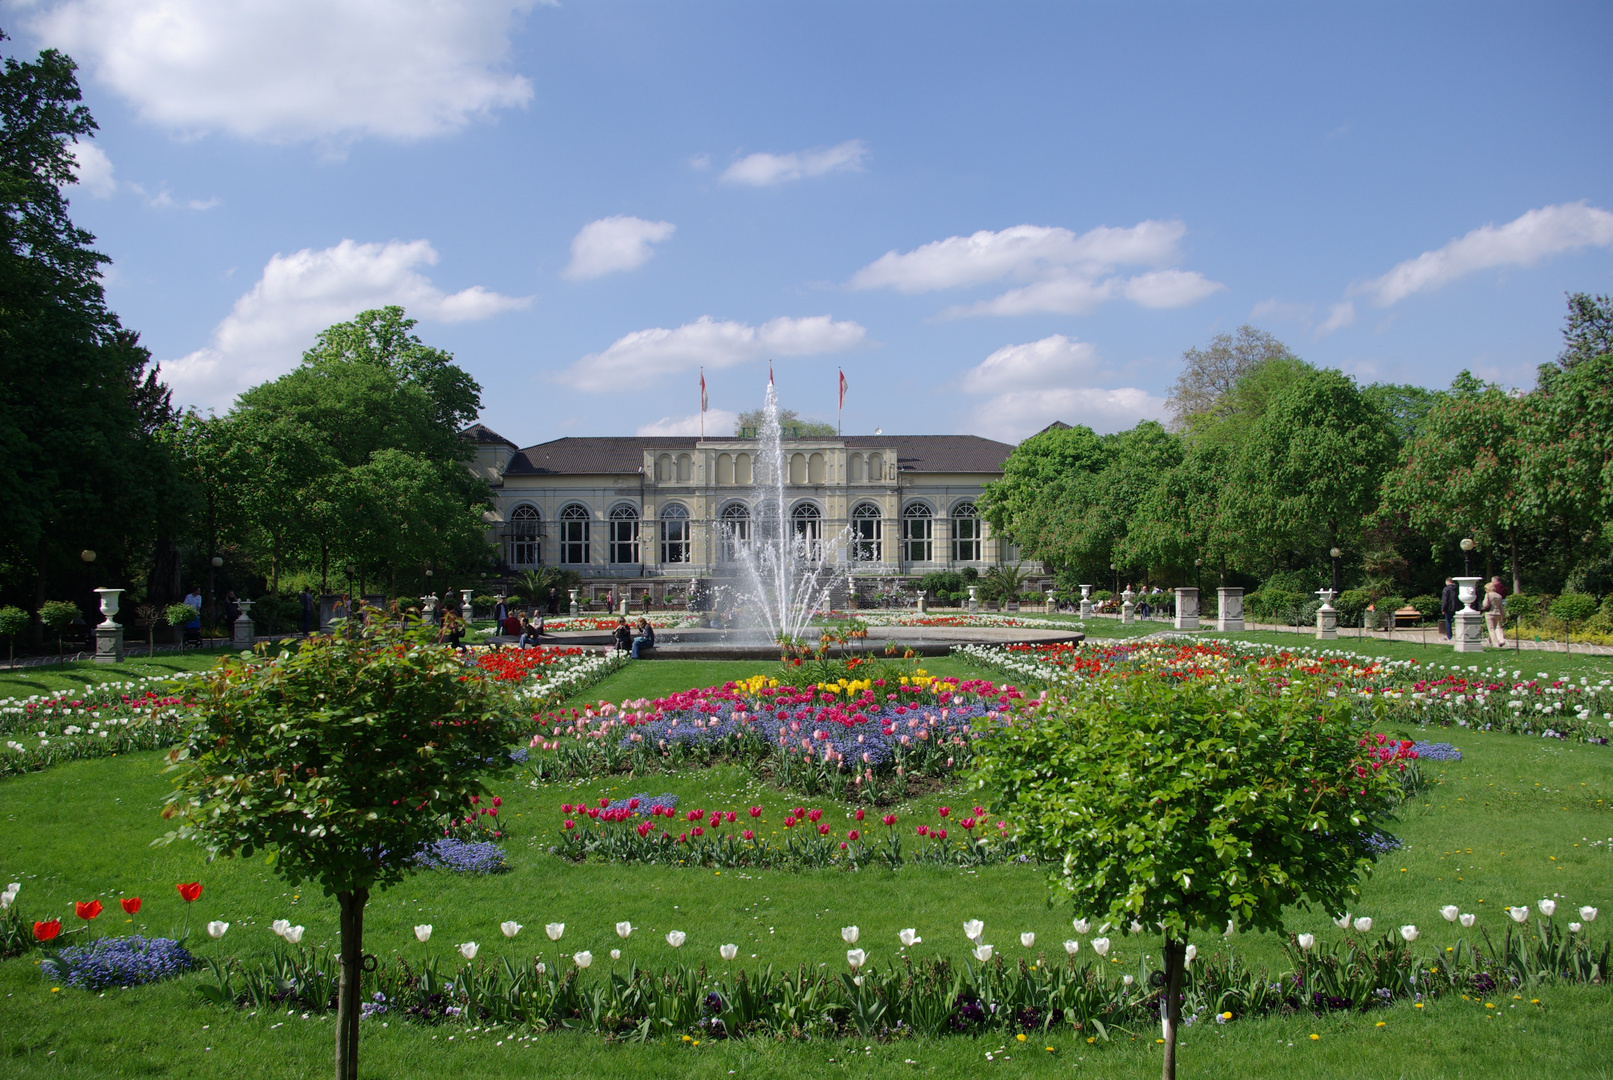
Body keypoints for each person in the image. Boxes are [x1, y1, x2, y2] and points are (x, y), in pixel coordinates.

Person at [1481, 576, 1508, 647]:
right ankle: (1494, 641)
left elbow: (1485, 604)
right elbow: (1501, 607)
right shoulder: (1499, 596)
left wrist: (1482, 607)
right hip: (1497, 613)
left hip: (1490, 613)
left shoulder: (1488, 595)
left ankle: (1495, 644)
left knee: (1491, 629)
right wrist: (1503, 616)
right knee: (1497, 627)